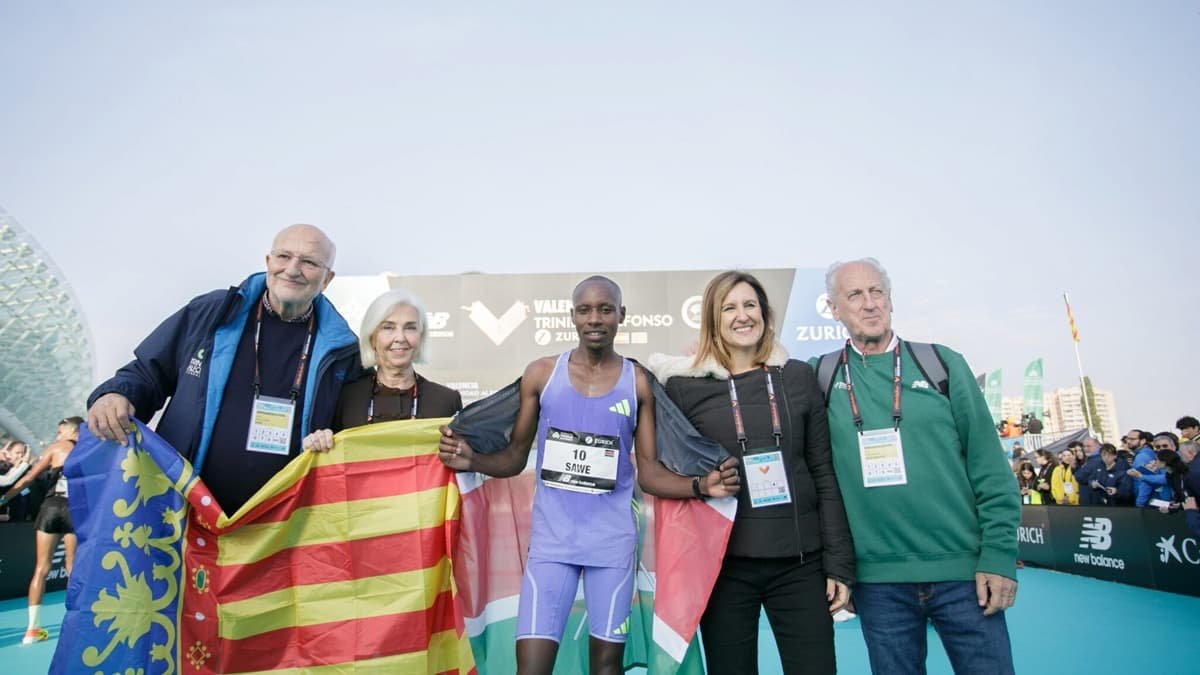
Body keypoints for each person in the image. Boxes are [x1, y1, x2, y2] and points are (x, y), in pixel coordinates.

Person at [438, 276, 739, 675]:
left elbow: (649, 473)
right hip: (551, 547)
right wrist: (472, 459)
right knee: (530, 669)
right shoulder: (542, 374)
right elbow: (513, 456)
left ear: (621, 315)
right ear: (573, 316)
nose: (594, 318)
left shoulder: (638, 382)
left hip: (611, 549)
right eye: (585, 310)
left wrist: (701, 486)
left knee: (606, 668)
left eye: (605, 309)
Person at [816, 258, 1019, 674]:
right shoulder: (818, 375)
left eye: (877, 292)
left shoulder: (942, 363)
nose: (870, 303)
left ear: (890, 301)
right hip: (877, 583)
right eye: (855, 294)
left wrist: (998, 556)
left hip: (964, 575)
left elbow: (990, 468)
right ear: (834, 309)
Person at [647, 270, 854, 674]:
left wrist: (839, 564)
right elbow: (656, 471)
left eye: (749, 305)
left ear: (763, 313)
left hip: (800, 564)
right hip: (724, 569)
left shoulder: (796, 377)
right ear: (713, 318)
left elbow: (824, 474)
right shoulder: (684, 387)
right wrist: (698, 485)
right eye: (729, 307)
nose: (742, 316)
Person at [86, 224, 361, 514]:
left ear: (327, 278)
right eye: (284, 256)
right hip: (183, 512)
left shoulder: (343, 351)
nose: (292, 270)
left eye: (309, 262)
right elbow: (147, 373)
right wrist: (116, 393)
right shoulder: (212, 312)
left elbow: (354, 436)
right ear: (268, 262)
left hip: (280, 529)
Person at [302, 290, 463, 452]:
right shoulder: (344, 397)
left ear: (421, 337)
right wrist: (318, 441)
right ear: (372, 337)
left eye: (410, 328)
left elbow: (459, 468)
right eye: (388, 327)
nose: (400, 338)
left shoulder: (447, 401)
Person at [0, 417, 83, 643]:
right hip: (74, 509)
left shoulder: (56, 448)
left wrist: (4, 498)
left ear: (71, 430)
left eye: (60, 431)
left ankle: (32, 630)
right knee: (72, 566)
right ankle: (75, 626)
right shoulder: (88, 450)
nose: (57, 436)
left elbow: (28, 478)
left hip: (50, 508)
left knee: (41, 569)